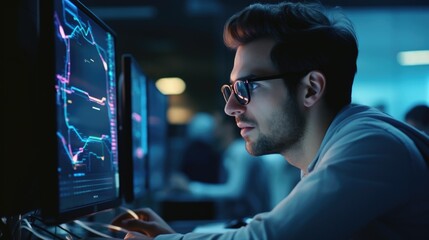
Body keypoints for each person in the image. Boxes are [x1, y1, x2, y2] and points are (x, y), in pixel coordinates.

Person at [112, 1, 429, 239]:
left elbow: (269, 238)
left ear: (310, 89)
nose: (231, 107)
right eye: (232, 89)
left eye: (247, 86)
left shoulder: (370, 146)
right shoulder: (329, 153)